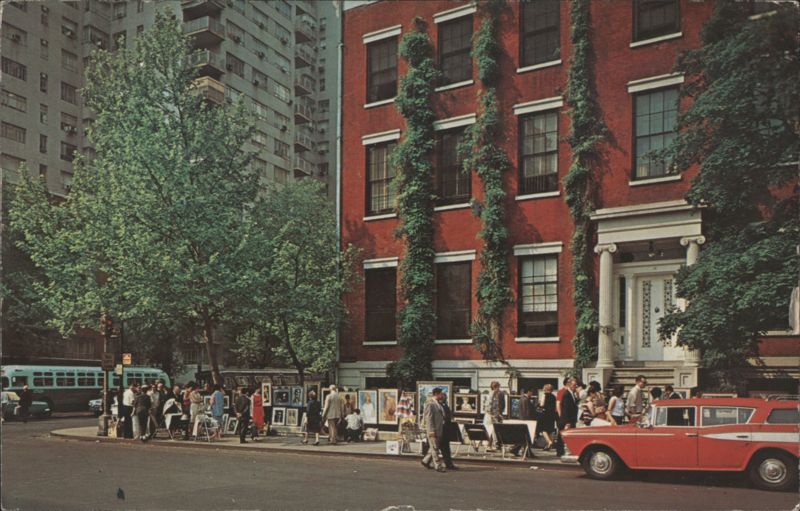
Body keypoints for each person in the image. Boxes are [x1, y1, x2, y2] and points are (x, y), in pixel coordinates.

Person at [420, 388, 446, 473]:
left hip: (438, 429)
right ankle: (438, 466)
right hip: (433, 430)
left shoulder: (438, 404)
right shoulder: (430, 404)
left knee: (434, 447)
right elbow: (429, 419)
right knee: (435, 448)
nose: (442, 396)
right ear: (437, 394)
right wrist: (431, 430)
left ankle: (425, 461)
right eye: (441, 394)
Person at [556, 378, 578, 456]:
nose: (576, 386)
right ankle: (560, 452)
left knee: (565, 435)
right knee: (562, 436)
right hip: (567, 420)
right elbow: (565, 409)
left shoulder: (572, 393)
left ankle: (564, 451)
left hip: (571, 419)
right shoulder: (566, 394)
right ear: (569, 385)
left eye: (576, 385)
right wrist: (567, 421)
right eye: (574, 385)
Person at [483, 381, 505, 451]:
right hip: (492, 416)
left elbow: (486, 406)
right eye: (498, 387)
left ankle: (490, 445)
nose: (499, 389)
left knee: (492, 430)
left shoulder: (491, 394)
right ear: (496, 387)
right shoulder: (493, 395)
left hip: (490, 415)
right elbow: (490, 406)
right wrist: (495, 415)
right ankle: (490, 445)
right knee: (492, 430)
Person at [536, 384, 557, 450]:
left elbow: (542, 404)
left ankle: (549, 442)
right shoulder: (554, 396)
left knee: (542, 429)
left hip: (545, 414)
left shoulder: (544, 395)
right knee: (550, 430)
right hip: (552, 414)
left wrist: (539, 404)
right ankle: (548, 446)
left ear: (546, 389)